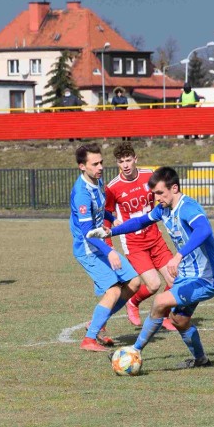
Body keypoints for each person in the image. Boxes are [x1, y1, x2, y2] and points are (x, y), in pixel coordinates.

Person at [88, 166, 214, 369]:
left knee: (160, 302)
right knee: (179, 320)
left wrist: (178, 256)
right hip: (188, 276)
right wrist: (111, 232)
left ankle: (135, 351)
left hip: (205, 278)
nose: (157, 197)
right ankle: (202, 360)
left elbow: (204, 230)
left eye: (160, 192)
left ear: (174, 188)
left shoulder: (188, 207)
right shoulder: (163, 209)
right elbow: (140, 221)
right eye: (155, 194)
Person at [70, 143, 141, 352]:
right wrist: (109, 251)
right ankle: (89, 340)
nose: (100, 167)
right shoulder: (82, 193)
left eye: (101, 162)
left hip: (100, 245)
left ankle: (95, 324)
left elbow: (100, 207)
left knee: (135, 282)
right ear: (82, 167)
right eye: (95, 164)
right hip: (88, 248)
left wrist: (112, 218)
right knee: (113, 290)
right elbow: (86, 231)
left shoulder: (97, 181)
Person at [104, 142, 176, 332]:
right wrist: (109, 244)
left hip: (155, 238)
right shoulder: (113, 188)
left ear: (135, 159)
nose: (126, 165)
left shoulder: (149, 176)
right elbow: (106, 215)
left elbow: (162, 195)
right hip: (134, 243)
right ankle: (133, 303)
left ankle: (164, 316)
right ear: (117, 163)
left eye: (128, 160)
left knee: (175, 281)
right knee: (153, 284)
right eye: (121, 162)